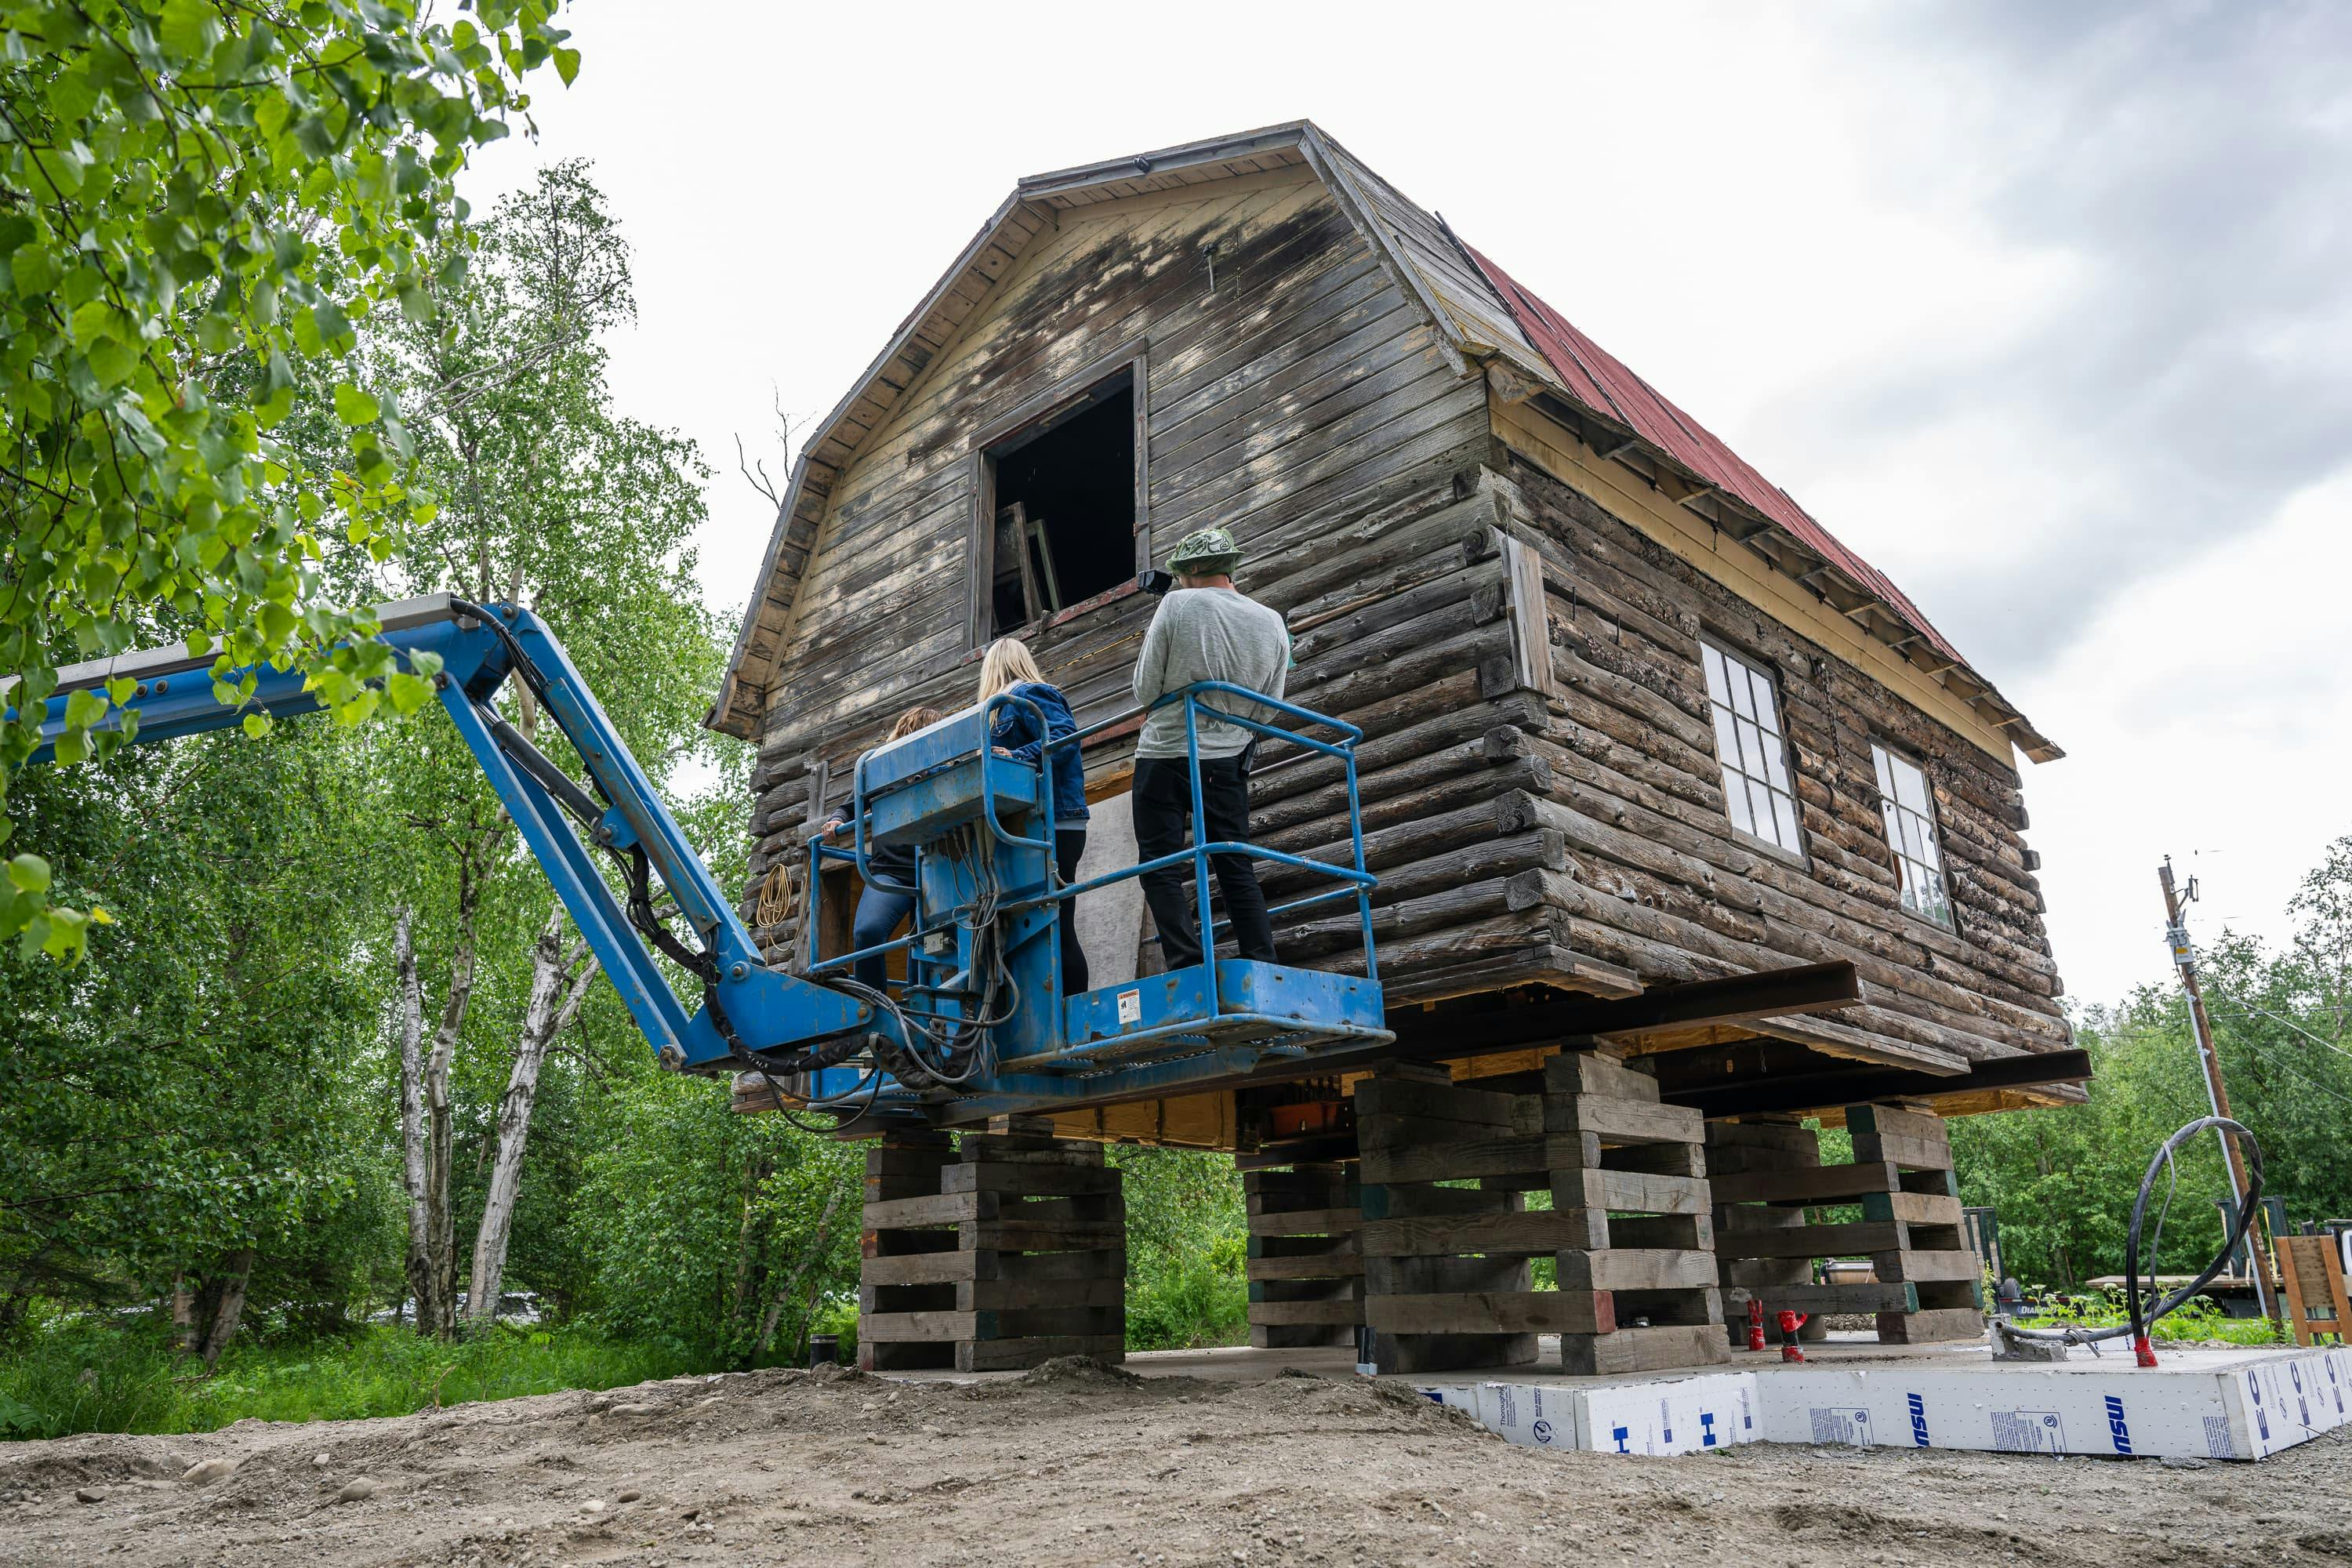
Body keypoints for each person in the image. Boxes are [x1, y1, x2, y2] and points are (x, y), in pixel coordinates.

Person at [1129, 525, 1289, 971]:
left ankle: (1187, 963)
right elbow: (1270, 706)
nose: (1178, 580)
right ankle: (1262, 959)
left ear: (1195, 568)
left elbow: (1145, 689)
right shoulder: (1271, 620)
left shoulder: (1177, 604)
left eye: (1181, 572)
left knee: (1159, 863)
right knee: (1234, 860)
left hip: (1165, 752)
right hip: (1227, 758)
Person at [978, 637, 1091, 995]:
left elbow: (1063, 737)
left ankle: (1071, 1008)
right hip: (1027, 825)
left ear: (994, 667)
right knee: (1037, 923)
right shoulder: (995, 712)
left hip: (1054, 820)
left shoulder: (1031, 694)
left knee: (1058, 922)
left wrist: (1017, 757)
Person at [823, 704, 946, 989]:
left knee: (924, 944)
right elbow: (848, 807)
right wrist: (835, 820)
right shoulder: (882, 770)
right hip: (891, 870)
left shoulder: (943, 769)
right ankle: (874, 1005)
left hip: (934, 867)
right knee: (868, 931)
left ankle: (921, 1007)